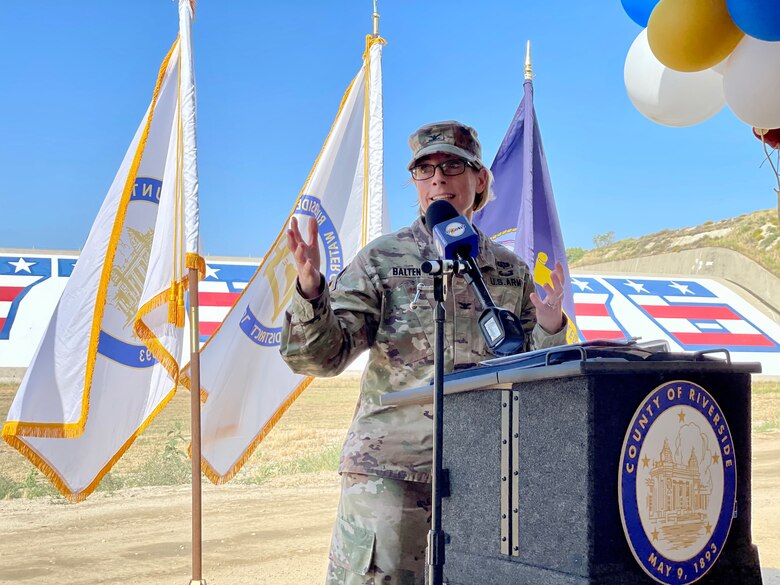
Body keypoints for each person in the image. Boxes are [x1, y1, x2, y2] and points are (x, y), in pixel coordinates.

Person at [280, 120, 569, 584]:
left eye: (454, 165)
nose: (439, 178)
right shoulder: (382, 260)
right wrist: (311, 292)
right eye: (425, 168)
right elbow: (318, 358)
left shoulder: (511, 271)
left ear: (480, 181)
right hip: (390, 475)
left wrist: (552, 327)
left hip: (485, 476)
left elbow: (541, 377)